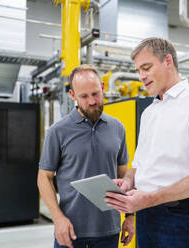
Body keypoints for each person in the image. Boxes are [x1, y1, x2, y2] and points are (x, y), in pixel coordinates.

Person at [105, 38, 189, 248]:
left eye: (146, 67)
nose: (141, 76)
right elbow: (139, 165)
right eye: (138, 71)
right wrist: (127, 182)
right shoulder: (150, 112)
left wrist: (150, 198)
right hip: (145, 214)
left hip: (180, 216)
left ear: (168, 61)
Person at [37, 64, 134, 248]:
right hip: (70, 229)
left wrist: (130, 216)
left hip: (109, 229)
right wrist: (58, 219)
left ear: (103, 87)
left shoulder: (117, 128)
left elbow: (124, 173)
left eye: (96, 93)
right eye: (84, 96)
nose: (92, 101)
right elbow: (44, 177)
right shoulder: (58, 131)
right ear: (73, 96)